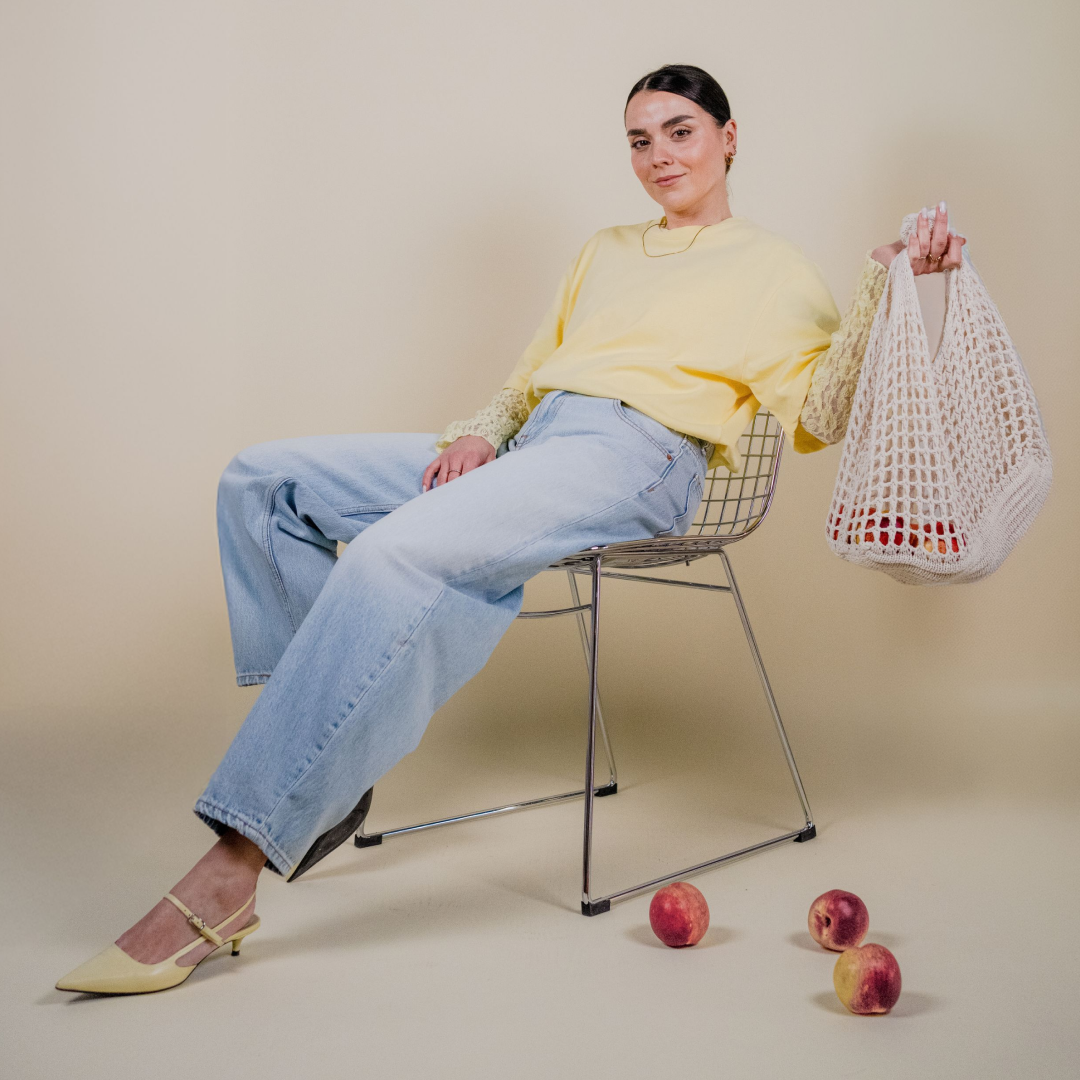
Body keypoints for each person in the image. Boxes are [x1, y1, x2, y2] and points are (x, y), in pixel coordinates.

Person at [55, 64, 966, 995]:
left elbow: (822, 410)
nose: (659, 156)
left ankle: (232, 868)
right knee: (264, 482)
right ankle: (325, 760)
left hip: (638, 456)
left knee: (392, 553)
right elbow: (529, 377)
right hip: (537, 442)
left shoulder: (773, 267)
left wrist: (885, 284)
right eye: (640, 140)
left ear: (728, 138)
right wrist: (484, 433)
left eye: (680, 132)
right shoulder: (604, 250)